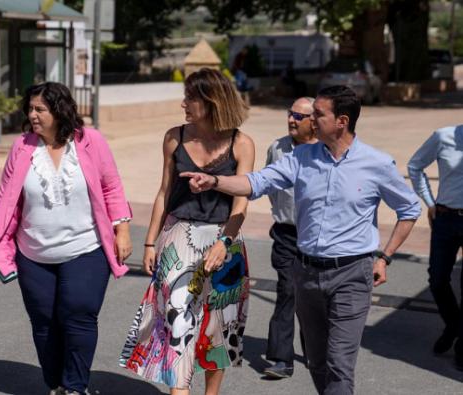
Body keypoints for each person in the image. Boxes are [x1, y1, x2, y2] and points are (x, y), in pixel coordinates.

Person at [182, 85, 421, 395]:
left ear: (341, 121)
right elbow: (258, 182)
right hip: (305, 272)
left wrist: (385, 256)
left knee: (339, 363)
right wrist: (215, 181)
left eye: (318, 115)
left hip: (351, 274)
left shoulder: (376, 163)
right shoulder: (302, 157)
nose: (310, 120)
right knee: (319, 362)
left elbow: (409, 209)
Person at [0, 82, 132, 395]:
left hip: (86, 247)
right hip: (33, 253)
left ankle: (74, 386)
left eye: (40, 109)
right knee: (43, 323)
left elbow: (111, 186)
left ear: (59, 110)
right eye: (30, 109)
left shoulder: (90, 141)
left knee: (79, 314)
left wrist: (122, 228)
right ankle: (55, 382)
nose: (33, 115)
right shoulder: (22, 147)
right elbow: (5, 199)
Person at [119, 68, 254, 395]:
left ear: (212, 101)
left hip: (226, 240)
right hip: (179, 237)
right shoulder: (174, 137)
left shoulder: (241, 143)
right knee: (177, 317)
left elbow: (241, 203)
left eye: (191, 97)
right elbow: (164, 192)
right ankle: (180, 390)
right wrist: (150, 242)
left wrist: (225, 242)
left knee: (220, 328)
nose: (184, 103)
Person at [263, 97, 317, 379]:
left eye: (298, 116)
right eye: (289, 113)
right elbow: (270, 185)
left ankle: (314, 349)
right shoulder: (277, 148)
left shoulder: (325, 149)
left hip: (319, 236)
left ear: (314, 121)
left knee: (314, 296)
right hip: (286, 233)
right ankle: (280, 359)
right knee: (287, 291)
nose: (291, 120)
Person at [407, 125, 463, 370]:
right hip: (446, 219)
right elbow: (415, 166)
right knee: (438, 279)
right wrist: (429, 202)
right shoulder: (444, 136)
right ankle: (455, 325)